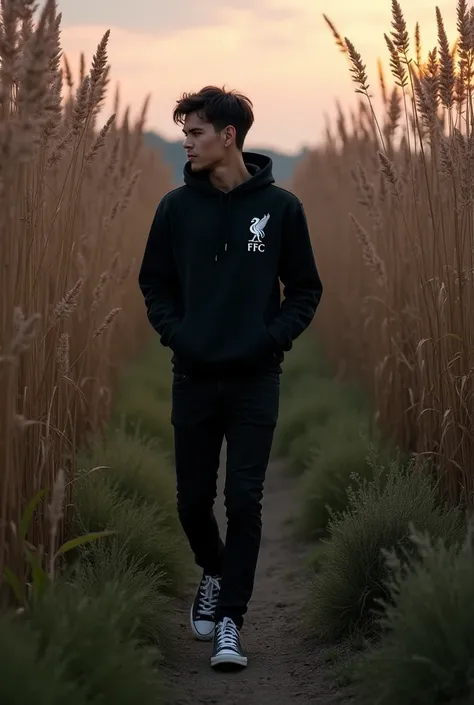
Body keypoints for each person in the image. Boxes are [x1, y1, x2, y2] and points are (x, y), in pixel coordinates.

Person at [138, 85, 323, 671]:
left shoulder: (282, 208)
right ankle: (215, 570)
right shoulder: (174, 208)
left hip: (254, 380)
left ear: (228, 136)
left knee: (244, 499)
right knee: (193, 503)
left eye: (194, 133)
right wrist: (180, 334)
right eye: (184, 132)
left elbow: (306, 290)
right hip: (192, 375)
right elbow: (155, 285)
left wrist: (271, 338)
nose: (186, 142)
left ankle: (230, 625)